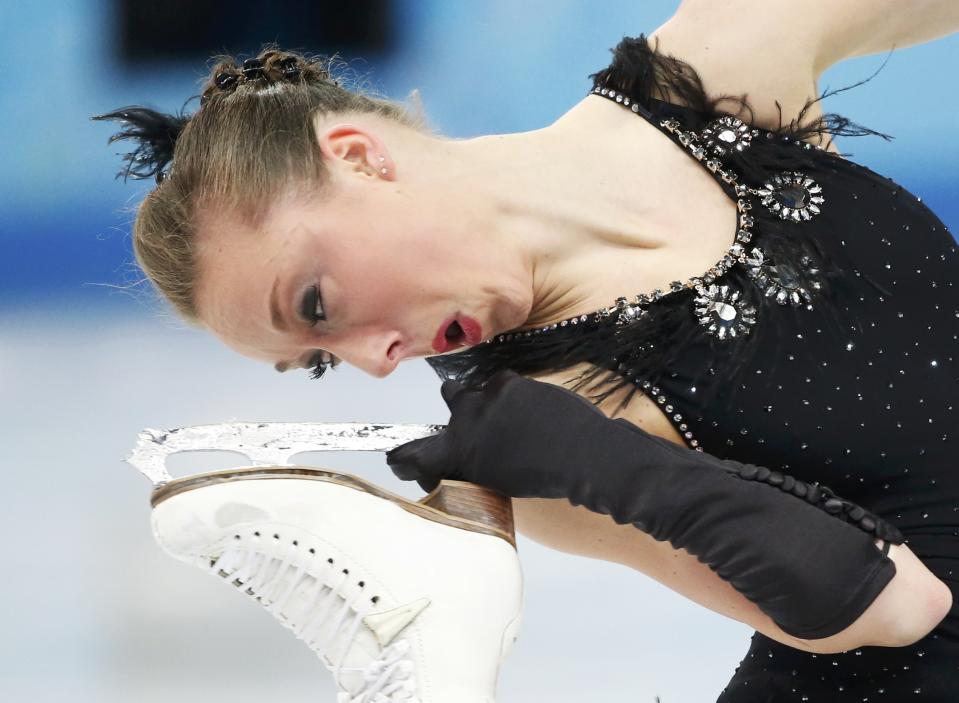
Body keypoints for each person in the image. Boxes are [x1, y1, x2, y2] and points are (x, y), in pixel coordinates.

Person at [94, 3, 959, 700]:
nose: (378, 359)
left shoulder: (712, 75)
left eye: (317, 305)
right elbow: (895, 607)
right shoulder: (545, 433)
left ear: (358, 158)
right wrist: (603, 463)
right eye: (322, 356)